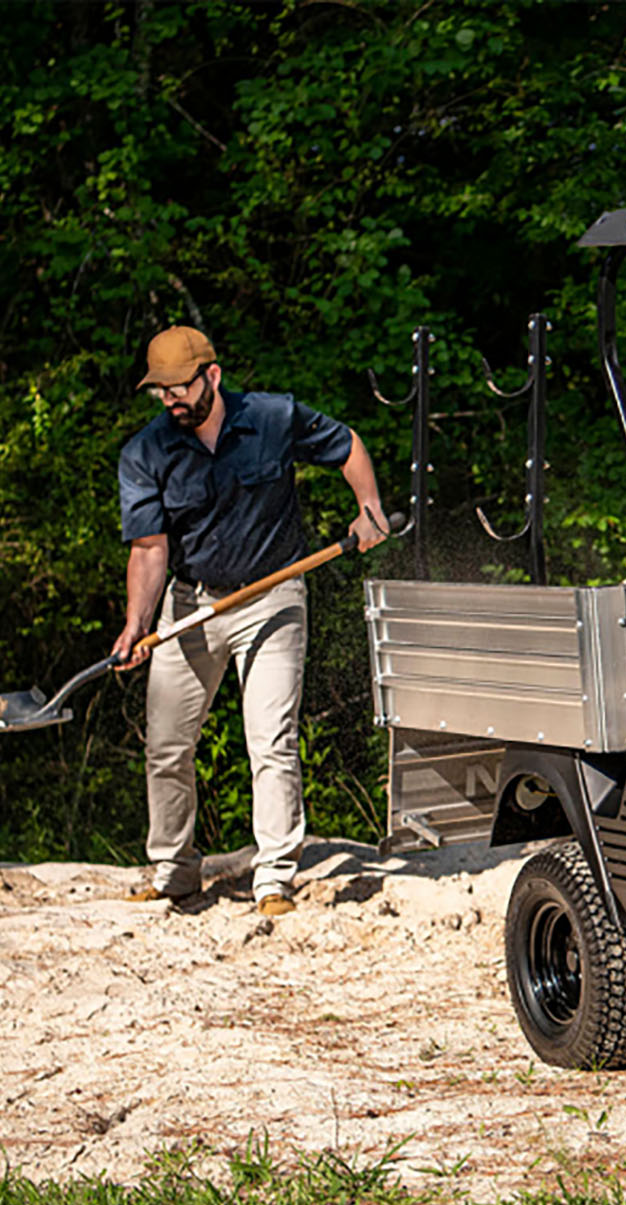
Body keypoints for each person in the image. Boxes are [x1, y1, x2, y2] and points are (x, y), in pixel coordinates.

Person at [112, 325, 389, 916]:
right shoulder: (146, 452)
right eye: (160, 392)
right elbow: (149, 549)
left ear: (211, 376)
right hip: (191, 605)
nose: (171, 401)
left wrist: (368, 509)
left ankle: (274, 875)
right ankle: (174, 869)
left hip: (273, 598)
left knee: (271, 739)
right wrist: (137, 623)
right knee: (166, 746)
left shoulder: (272, 417)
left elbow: (346, 446)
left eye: (180, 388)